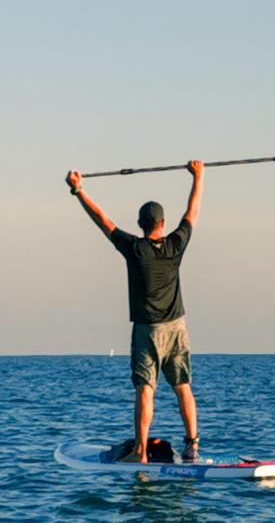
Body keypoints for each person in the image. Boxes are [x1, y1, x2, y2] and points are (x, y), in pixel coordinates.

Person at [65, 160, 204, 463]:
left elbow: (102, 219)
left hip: (147, 330)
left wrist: (78, 191)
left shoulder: (134, 248)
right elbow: (192, 212)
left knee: (145, 390)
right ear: (162, 223)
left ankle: (141, 453)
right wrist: (198, 176)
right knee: (183, 387)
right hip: (177, 327)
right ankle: (192, 446)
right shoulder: (176, 245)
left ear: (141, 224)